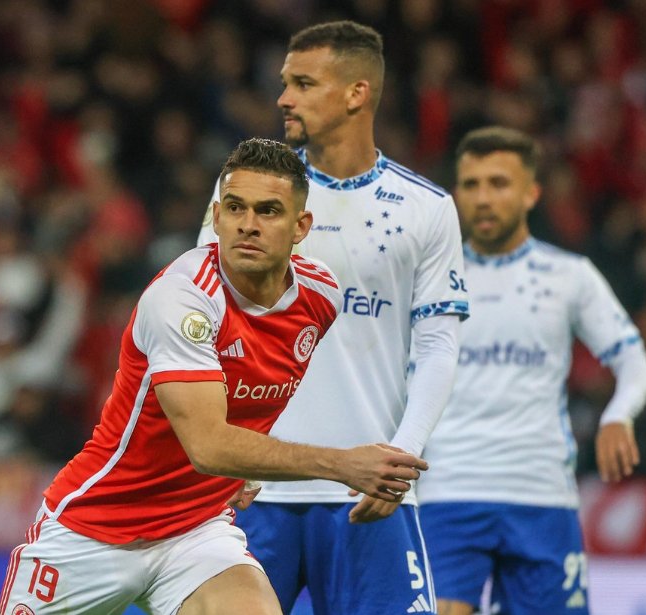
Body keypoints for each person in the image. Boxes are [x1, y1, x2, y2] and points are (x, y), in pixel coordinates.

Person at [0, 138, 430, 615]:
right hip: (96, 527)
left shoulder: (320, 297)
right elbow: (208, 446)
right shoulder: (183, 299)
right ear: (217, 217)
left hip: (195, 531)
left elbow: (254, 393)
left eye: (269, 211)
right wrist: (344, 463)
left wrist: (245, 463)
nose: (249, 224)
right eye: (236, 208)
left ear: (300, 226)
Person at [197, 21, 467, 615]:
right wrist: (218, 449)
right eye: (284, 83)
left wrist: (402, 458)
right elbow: (203, 326)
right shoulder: (248, 197)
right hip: (255, 489)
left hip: (366, 489)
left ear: (356, 93)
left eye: (302, 83)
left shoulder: (426, 209)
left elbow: (439, 346)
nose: (283, 98)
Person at [416, 126, 646, 615]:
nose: (483, 198)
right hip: (447, 490)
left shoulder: (570, 275)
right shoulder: (426, 278)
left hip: (541, 494)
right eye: (472, 184)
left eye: (499, 183)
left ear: (531, 193)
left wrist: (618, 415)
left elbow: (634, 362)